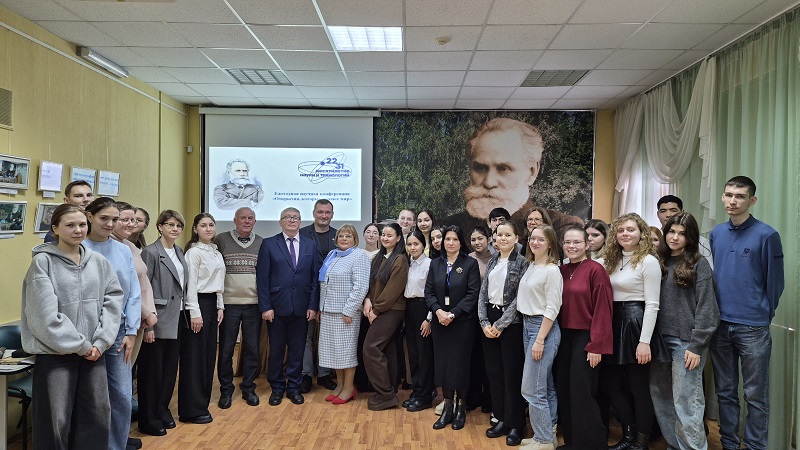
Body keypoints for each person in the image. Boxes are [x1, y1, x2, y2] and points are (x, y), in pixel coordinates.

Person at [21, 204, 123, 450]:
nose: (78, 230)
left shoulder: (98, 262)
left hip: (94, 354)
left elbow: (113, 301)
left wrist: (100, 342)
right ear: (55, 229)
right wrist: (81, 345)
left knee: (95, 417)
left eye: (82, 225)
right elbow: (44, 316)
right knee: (55, 424)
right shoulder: (42, 263)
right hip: (56, 356)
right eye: (70, 225)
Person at [709, 176, 784, 450]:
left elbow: (775, 283)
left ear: (752, 200)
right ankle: (729, 444)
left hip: (753, 327)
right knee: (725, 392)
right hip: (719, 324)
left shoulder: (767, 235)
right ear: (722, 197)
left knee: (755, 395)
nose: (733, 200)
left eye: (740, 196)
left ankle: (754, 446)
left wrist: (763, 313)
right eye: (729, 194)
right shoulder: (716, 233)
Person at [442, 117, 583, 239]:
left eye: (503, 168)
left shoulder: (561, 228)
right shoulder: (448, 227)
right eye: (480, 168)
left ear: (532, 172)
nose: (489, 182)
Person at [651, 213, 719, 450]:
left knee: (687, 401)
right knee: (661, 395)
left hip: (687, 343)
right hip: (659, 341)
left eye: (681, 233)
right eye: (671, 232)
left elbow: (708, 309)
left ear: (690, 237)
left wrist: (697, 345)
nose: (675, 237)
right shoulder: (657, 262)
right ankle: (676, 445)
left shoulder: (699, 264)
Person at [602, 212, 669, 450]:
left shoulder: (648, 261)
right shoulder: (610, 259)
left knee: (638, 388)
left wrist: (644, 341)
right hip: (613, 323)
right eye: (620, 230)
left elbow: (652, 304)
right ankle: (628, 435)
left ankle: (641, 442)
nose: (625, 234)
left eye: (631, 229)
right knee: (612, 385)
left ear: (641, 233)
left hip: (636, 324)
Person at [82, 198, 142, 450]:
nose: (109, 224)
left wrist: (131, 331)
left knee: (121, 396)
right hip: (86, 333)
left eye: (114, 219)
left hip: (119, 332)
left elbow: (133, 292)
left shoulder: (123, 250)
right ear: (89, 217)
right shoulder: (78, 246)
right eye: (104, 218)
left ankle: (115, 446)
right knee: (91, 397)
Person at [555, 225, 613, 450]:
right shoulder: (561, 270)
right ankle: (573, 442)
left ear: (587, 244)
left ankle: (593, 445)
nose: (571, 246)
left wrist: (596, 345)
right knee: (565, 390)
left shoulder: (595, 270)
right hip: (563, 337)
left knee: (583, 393)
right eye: (567, 242)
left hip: (586, 338)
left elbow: (603, 309)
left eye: (577, 242)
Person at [257, 207, 319, 406]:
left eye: (296, 218)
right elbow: (263, 278)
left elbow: (314, 279)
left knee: (297, 350)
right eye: (288, 217)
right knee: (276, 351)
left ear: (300, 222)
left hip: (302, 308)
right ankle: (277, 388)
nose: (292, 220)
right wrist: (265, 307)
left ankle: (293, 387)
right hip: (276, 308)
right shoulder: (269, 244)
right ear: (280, 222)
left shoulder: (310, 245)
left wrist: (313, 305)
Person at [477, 222, 528, 446]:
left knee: (511, 375)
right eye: (499, 235)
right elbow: (483, 293)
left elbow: (519, 298)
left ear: (516, 238)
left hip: (510, 324)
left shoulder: (523, 263)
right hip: (489, 321)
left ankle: (516, 423)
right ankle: (501, 418)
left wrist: (500, 324)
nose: (503, 238)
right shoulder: (493, 261)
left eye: (508, 235)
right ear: (494, 238)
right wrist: (484, 322)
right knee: (495, 374)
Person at [138, 210, 188, 437]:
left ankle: (162, 409)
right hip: (156, 320)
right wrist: (148, 326)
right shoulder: (150, 252)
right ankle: (148, 418)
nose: (175, 229)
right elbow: (143, 289)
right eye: (170, 224)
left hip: (177, 318)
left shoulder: (179, 251)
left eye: (178, 225)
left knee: (169, 370)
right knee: (152, 373)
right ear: (159, 227)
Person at [426, 225, 481, 430]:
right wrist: (438, 312)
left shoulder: (470, 263)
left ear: (461, 242)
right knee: (443, 365)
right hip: (440, 323)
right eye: (447, 239)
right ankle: (447, 407)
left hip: (462, 323)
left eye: (455, 239)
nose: (450, 243)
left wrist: (453, 313)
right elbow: (429, 292)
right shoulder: (435, 264)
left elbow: (473, 293)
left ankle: (461, 408)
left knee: (460, 365)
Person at [517, 225, 562, 450]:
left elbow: (553, 308)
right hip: (527, 325)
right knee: (544, 385)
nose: (535, 242)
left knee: (531, 389)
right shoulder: (532, 265)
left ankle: (543, 440)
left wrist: (540, 339)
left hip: (542, 329)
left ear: (550, 243)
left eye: (541, 240)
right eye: (532, 239)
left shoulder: (552, 271)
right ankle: (548, 433)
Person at [215, 207, 264, 409]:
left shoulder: (261, 242)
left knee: (252, 349)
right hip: (228, 304)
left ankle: (248, 388)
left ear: (255, 221)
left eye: (250, 218)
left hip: (253, 304)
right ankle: (226, 390)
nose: (246, 221)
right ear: (235, 220)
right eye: (242, 218)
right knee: (226, 350)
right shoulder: (221, 240)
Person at [179, 213, 225, 424]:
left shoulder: (215, 251)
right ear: (195, 229)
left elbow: (219, 282)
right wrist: (195, 313)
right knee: (195, 359)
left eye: (211, 225)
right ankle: (191, 410)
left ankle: (202, 403)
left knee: (207, 357)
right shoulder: (193, 252)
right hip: (197, 305)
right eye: (203, 225)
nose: (208, 229)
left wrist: (220, 306)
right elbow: (190, 286)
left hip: (212, 304)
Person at [318, 225, 371, 404]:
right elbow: (324, 284)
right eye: (341, 235)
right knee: (334, 353)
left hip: (346, 314)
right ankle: (339, 386)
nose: (344, 238)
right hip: (328, 311)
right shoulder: (332, 255)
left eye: (348, 236)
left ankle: (349, 387)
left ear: (355, 239)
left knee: (346, 353)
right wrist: (321, 308)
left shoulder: (359, 256)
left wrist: (349, 309)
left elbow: (361, 286)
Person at [362, 222, 409, 410]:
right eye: (383, 235)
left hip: (392, 310)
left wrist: (376, 310)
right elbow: (371, 283)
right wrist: (367, 299)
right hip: (379, 308)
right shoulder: (379, 257)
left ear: (398, 238)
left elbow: (392, 290)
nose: (385, 238)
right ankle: (390, 391)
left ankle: (385, 394)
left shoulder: (400, 260)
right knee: (387, 349)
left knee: (371, 348)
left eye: (390, 235)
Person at [299, 199, 337, 392]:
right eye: (320, 212)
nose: (324, 215)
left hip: (332, 294)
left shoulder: (338, 236)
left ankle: (324, 374)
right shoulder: (301, 234)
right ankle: (306, 375)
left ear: (332, 215)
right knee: (305, 336)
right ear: (314, 213)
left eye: (327, 212)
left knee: (326, 336)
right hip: (306, 292)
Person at [402, 229, 434, 412]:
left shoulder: (430, 264)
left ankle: (425, 396)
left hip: (424, 309)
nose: (413, 247)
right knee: (413, 354)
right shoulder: (408, 264)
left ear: (423, 245)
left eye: (416, 244)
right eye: (409, 244)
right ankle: (417, 391)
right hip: (410, 308)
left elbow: (433, 293)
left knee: (424, 355)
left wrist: (429, 318)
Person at [656, 195, 712, 266]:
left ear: (682, 212)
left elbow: (707, 268)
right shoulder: (653, 239)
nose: (668, 215)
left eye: (673, 210)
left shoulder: (701, 242)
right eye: (663, 211)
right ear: (658, 214)